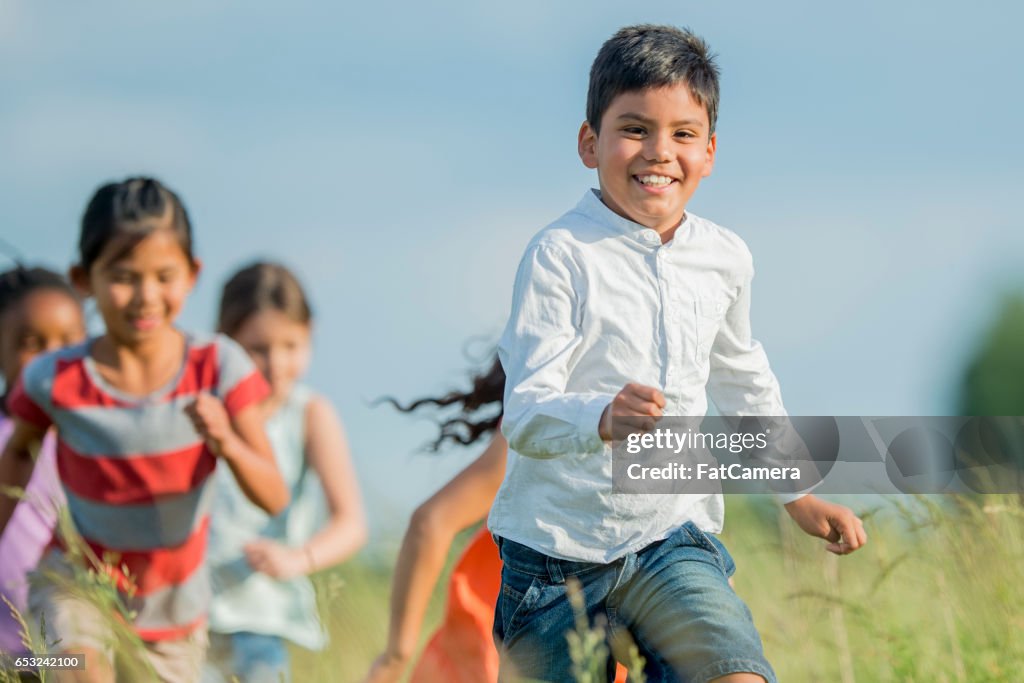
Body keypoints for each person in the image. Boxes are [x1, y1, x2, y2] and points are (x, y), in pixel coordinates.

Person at [491, 25, 868, 683]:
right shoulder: (560, 256)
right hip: (552, 558)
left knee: (734, 672)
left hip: (672, 538)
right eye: (634, 128)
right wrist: (601, 416)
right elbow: (524, 413)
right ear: (591, 143)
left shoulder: (724, 259)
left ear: (710, 152)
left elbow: (744, 380)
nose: (659, 152)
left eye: (683, 134)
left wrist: (798, 493)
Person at [0, 177, 290, 683]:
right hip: (75, 586)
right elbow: (18, 458)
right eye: (124, 276)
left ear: (192, 274)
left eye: (164, 275)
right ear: (83, 278)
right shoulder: (54, 378)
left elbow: (272, 495)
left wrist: (225, 441)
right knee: (77, 668)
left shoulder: (220, 367)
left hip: (172, 613)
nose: (145, 295)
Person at [364, 358, 628, 683]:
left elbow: (430, 521)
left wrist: (395, 655)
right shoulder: (548, 414)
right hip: (496, 654)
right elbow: (431, 522)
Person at [203, 262, 367, 683]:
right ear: (225, 340)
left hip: (266, 616)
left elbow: (351, 523)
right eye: (257, 348)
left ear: (310, 334)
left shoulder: (310, 414)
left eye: (291, 345)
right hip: (191, 611)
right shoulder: (204, 412)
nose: (275, 364)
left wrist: (298, 559)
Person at [0, 266, 86, 663]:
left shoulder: (98, 438)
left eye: (69, 341)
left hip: (76, 643)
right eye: (32, 343)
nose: (53, 358)